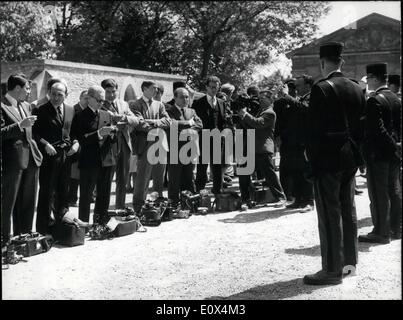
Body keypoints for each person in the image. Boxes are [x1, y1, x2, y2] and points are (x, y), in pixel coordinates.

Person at [303, 42, 366, 285]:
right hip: (350, 156)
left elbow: (313, 132)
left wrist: (311, 161)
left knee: (330, 213)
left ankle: (331, 269)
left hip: (328, 159)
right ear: (342, 61)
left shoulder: (322, 88)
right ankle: (350, 265)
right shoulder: (356, 87)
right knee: (348, 210)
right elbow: (361, 127)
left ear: (322, 63)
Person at [358, 63, 402, 243]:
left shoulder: (374, 100)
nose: (367, 81)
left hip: (379, 154)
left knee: (378, 193)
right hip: (394, 153)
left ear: (374, 78)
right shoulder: (395, 98)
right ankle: (396, 229)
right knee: (394, 190)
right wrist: (397, 146)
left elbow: (377, 130)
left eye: (368, 78)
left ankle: (381, 232)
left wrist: (392, 146)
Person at [71, 85, 125, 224]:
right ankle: (84, 224)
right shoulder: (79, 116)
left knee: (104, 194)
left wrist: (112, 134)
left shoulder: (106, 114)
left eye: (103, 100)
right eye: (99, 100)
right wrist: (99, 134)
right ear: (89, 99)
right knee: (86, 195)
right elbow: (80, 138)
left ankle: (100, 222)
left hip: (106, 159)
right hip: (89, 160)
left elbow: (113, 139)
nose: (102, 103)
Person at [1, 74, 43, 245]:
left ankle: (24, 237)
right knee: (8, 203)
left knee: (28, 201)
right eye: (26, 89)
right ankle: (5, 241)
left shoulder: (25, 105)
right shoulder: (2, 106)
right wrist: (19, 126)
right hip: (12, 162)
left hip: (31, 160)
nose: (28, 92)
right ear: (17, 88)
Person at [32, 81, 78, 235]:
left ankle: (62, 228)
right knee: (47, 194)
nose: (56, 97)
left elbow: (74, 132)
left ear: (66, 95)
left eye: (60, 94)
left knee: (63, 192)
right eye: (53, 93)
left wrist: (76, 143)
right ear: (48, 93)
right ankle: (43, 231)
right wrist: (45, 144)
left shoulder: (71, 110)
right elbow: (33, 133)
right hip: (49, 158)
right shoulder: (40, 110)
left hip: (66, 157)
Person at [236, 87, 286, 207]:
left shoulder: (270, 113)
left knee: (269, 175)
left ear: (270, 100)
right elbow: (251, 126)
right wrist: (241, 118)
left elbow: (258, 123)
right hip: (252, 147)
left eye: (263, 99)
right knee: (243, 173)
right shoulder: (260, 111)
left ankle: (280, 197)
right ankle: (245, 199)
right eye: (260, 98)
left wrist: (245, 114)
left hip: (263, 148)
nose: (260, 101)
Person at [129, 80, 171, 213]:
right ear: (145, 89)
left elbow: (168, 121)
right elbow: (140, 124)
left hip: (160, 144)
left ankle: (158, 206)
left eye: (157, 89)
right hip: (145, 145)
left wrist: (153, 122)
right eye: (154, 88)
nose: (156, 91)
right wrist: (157, 126)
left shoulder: (160, 105)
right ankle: (138, 207)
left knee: (159, 177)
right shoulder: (135, 105)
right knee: (143, 177)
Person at [277, 75, 315, 212]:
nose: (296, 88)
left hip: (305, 143)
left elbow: (304, 109)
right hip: (295, 143)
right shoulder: (300, 98)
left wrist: (287, 96)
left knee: (306, 173)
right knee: (296, 173)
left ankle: (309, 201)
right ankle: (299, 199)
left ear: (308, 86)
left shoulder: (312, 97)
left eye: (299, 85)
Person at [100, 78, 140, 209]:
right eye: (108, 92)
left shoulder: (124, 104)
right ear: (103, 92)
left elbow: (136, 120)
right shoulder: (99, 105)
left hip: (123, 144)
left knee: (122, 179)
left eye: (113, 91)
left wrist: (123, 118)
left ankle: (120, 208)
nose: (111, 95)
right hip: (107, 146)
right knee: (105, 180)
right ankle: (103, 210)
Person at [165, 88, 203, 205]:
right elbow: (172, 124)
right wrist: (189, 124)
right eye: (182, 97)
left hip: (189, 149)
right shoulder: (168, 111)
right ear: (175, 98)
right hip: (175, 149)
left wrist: (186, 129)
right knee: (174, 179)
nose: (185, 99)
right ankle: (173, 204)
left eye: (187, 97)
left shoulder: (191, 111)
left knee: (189, 177)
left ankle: (190, 202)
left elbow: (200, 124)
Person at [192, 75, 229, 194]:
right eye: (212, 87)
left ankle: (217, 192)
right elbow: (194, 121)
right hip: (203, 138)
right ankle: (199, 194)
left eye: (216, 88)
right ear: (206, 87)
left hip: (218, 139)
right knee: (202, 168)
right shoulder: (198, 103)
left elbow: (225, 121)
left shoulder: (222, 103)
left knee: (217, 168)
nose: (214, 90)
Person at [273, 78, 297, 201]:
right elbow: (276, 124)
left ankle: (296, 192)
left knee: (297, 167)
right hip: (285, 139)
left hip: (298, 139)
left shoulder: (298, 101)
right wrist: (277, 137)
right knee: (285, 165)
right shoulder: (278, 103)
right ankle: (287, 192)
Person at [66, 90, 89, 206]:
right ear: (80, 98)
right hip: (75, 145)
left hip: (86, 146)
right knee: (74, 174)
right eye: (85, 98)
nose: (87, 100)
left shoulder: (89, 111)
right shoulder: (73, 110)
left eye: (89, 98)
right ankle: (72, 198)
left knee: (83, 173)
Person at [151, 82, 168, 199]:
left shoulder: (168, 107)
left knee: (160, 174)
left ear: (161, 93)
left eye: (157, 93)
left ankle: (159, 196)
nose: (155, 95)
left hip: (164, 142)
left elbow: (169, 122)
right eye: (153, 93)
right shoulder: (148, 106)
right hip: (149, 142)